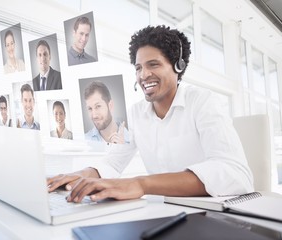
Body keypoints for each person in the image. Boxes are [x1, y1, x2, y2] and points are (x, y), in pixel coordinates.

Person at [47, 25, 253, 203]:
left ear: (178, 66)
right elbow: (113, 162)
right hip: (161, 211)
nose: (143, 75)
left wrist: (141, 184)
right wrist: (81, 176)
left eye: (153, 64)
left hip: (210, 213)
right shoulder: (135, 113)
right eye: (138, 68)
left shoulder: (203, 102)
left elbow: (236, 174)